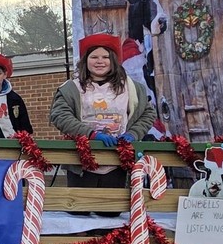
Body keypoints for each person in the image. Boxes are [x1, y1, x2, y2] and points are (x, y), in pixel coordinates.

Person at [50, 33, 156, 189]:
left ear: (112, 60)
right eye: (94, 57)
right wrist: (90, 134)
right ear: (85, 60)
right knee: (81, 210)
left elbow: (148, 114)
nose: (100, 61)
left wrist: (133, 134)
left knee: (111, 212)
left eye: (105, 57)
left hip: (116, 160)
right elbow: (60, 115)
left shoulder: (132, 88)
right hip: (80, 160)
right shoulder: (71, 88)